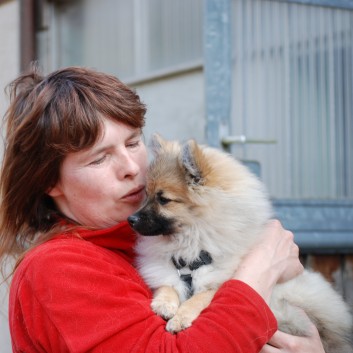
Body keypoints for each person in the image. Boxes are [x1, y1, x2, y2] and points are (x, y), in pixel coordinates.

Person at [0, 66, 325, 353]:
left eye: (132, 142)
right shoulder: (59, 267)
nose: (131, 167)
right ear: (49, 182)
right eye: (99, 158)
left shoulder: (146, 241)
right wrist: (261, 268)